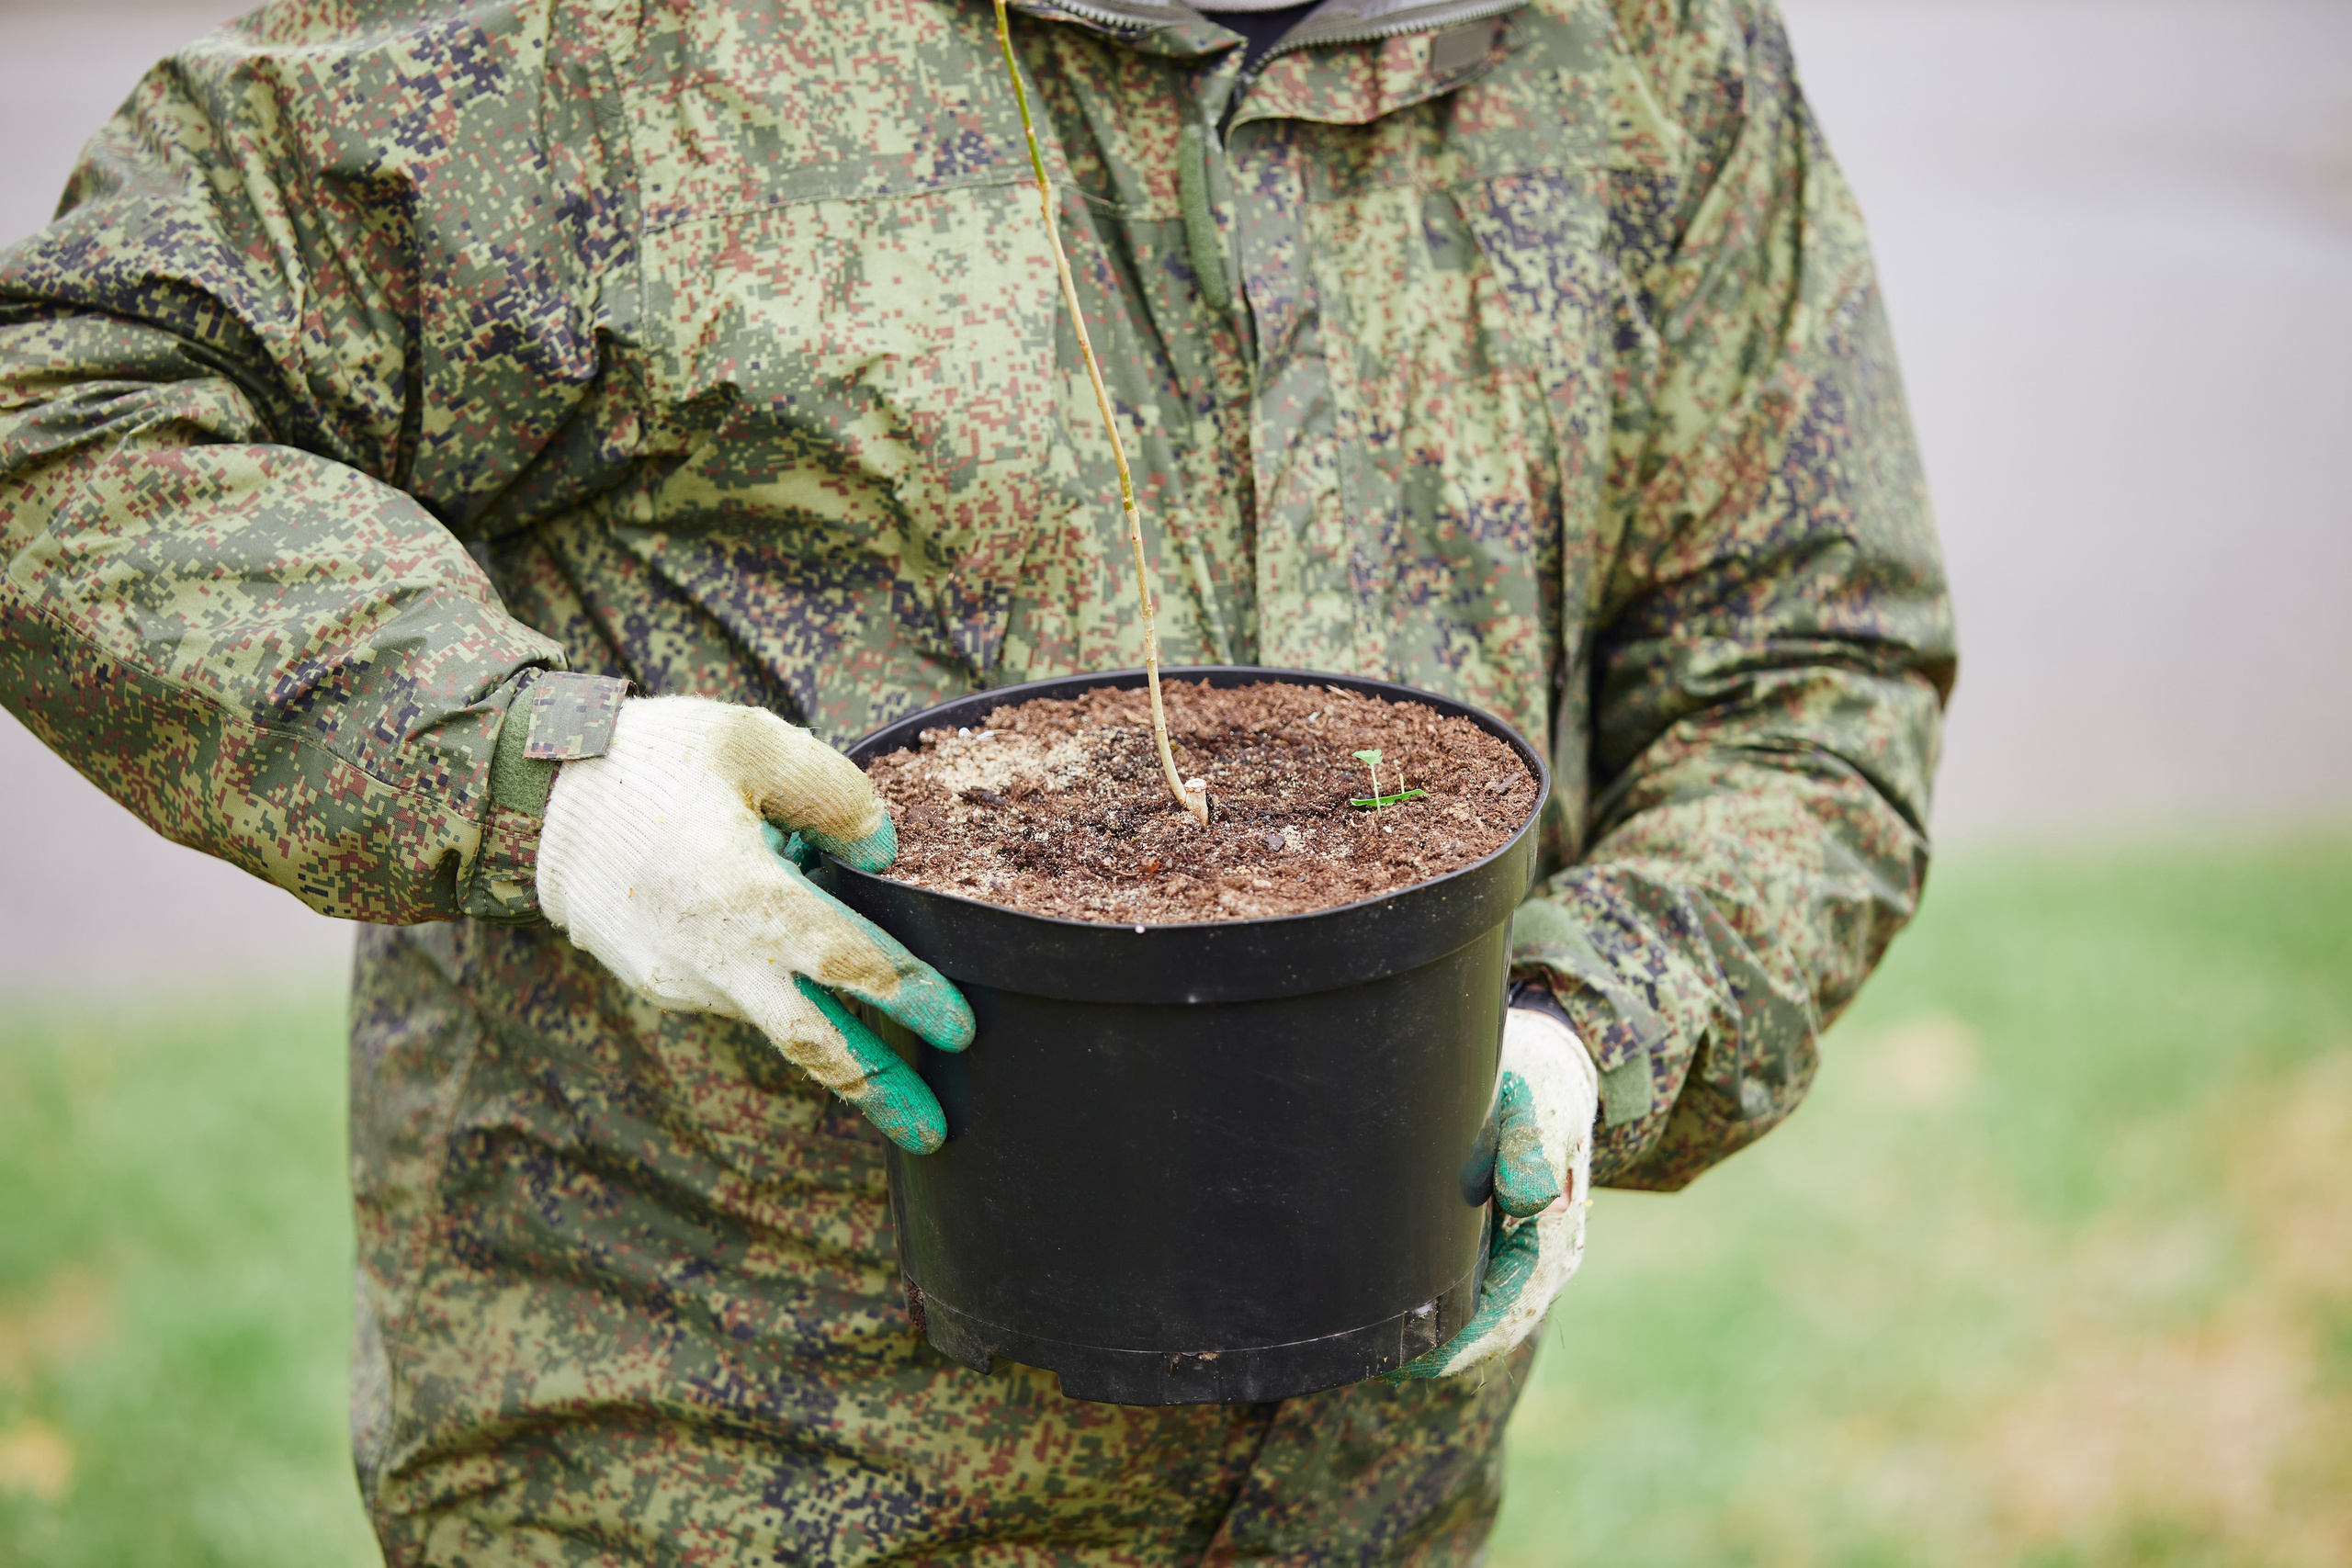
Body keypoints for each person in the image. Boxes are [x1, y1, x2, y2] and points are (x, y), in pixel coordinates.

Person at [0, 0, 1954, 1553]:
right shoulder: (600, 42)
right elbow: (64, 408)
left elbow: (1802, 662)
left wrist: (1580, 1019)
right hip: (699, 1472)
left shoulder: (1641, 49)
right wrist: (551, 779)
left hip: (1358, 1503)